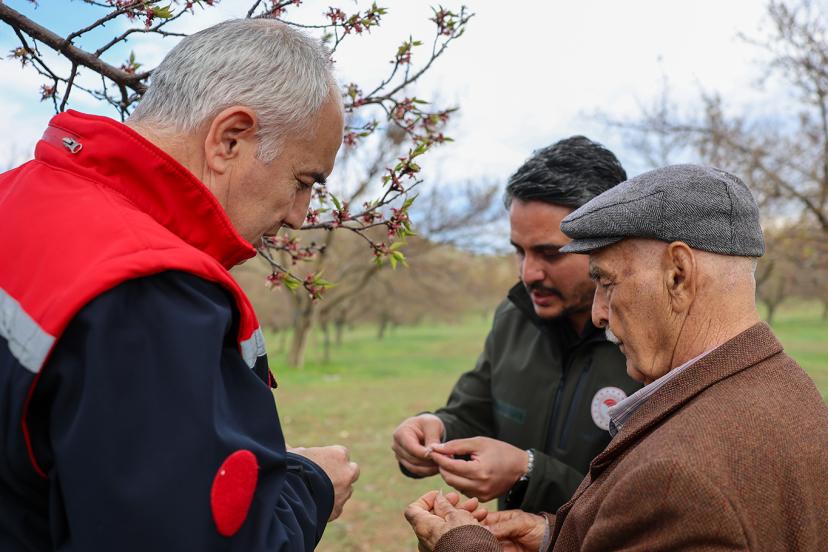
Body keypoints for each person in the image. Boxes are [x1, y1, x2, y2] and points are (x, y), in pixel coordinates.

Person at [0, 19, 360, 551]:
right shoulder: (152, 293)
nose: (298, 217)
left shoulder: (16, 197)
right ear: (230, 138)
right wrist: (308, 486)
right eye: (302, 181)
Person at [404, 164, 828, 551]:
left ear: (678, 274)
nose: (599, 313)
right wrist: (553, 537)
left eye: (606, 282)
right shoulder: (793, 390)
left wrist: (462, 544)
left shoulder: (677, 479)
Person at [392, 136, 641, 513]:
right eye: (519, 251)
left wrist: (530, 475)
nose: (528, 274)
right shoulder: (514, 317)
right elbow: (475, 413)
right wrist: (436, 430)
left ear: (607, 244)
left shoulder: (654, 344)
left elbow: (642, 505)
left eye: (549, 253)